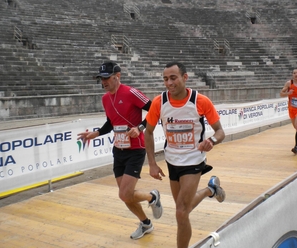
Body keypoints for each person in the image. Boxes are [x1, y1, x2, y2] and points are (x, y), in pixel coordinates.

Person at [77, 61, 163, 240]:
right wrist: (96, 133)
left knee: (124, 193)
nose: (104, 82)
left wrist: (139, 128)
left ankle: (152, 196)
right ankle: (146, 223)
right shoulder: (105, 98)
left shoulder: (131, 93)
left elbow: (156, 110)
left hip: (136, 149)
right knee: (126, 197)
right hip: (119, 149)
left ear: (118, 76)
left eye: (107, 78)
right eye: (101, 79)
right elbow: (111, 123)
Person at [144, 61, 226, 248]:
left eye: (173, 78)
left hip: (193, 160)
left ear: (185, 77)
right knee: (184, 211)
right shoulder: (159, 102)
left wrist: (211, 141)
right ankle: (209, 190)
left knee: (181, 212)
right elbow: (147, 132)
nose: (169, 83)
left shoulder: (201, 101)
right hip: (172, 161)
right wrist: (152, 164)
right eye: (165, 79)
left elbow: (220, 132)